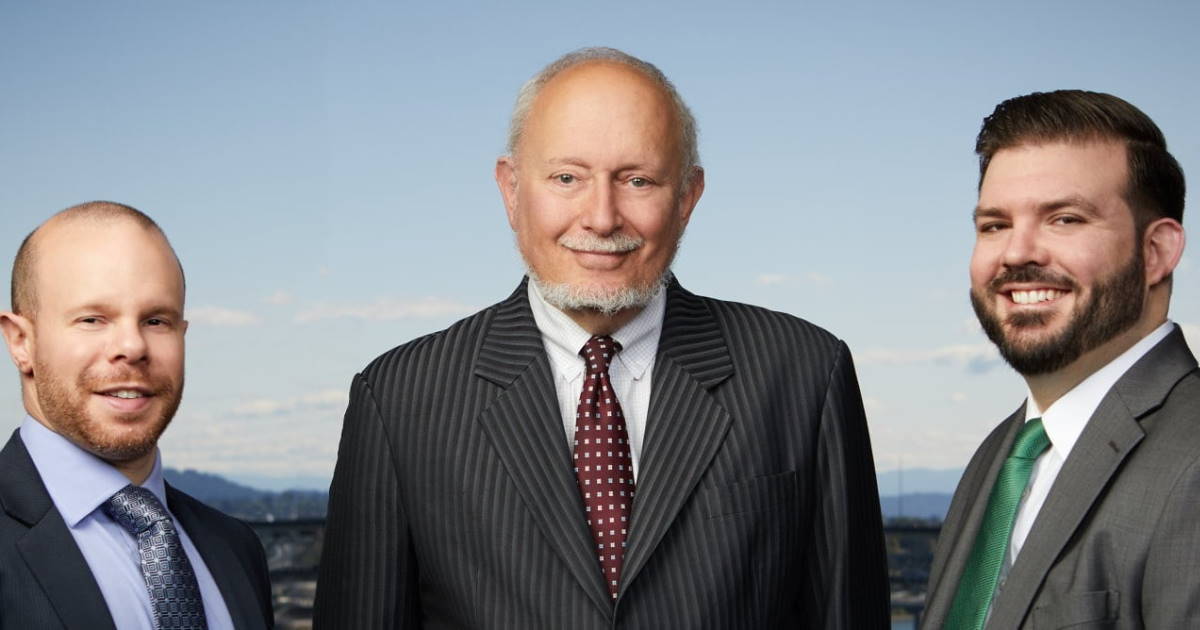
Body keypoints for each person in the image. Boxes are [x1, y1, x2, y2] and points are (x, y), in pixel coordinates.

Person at [314, 47, 887, 629]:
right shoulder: (398, 398)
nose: (602, 218)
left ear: (687, 197)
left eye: (638, 180)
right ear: (511, 189)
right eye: (567, 178)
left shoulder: (806, 373)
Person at [922, 91, 1193, 629]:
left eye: (1064, 219)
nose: (1017, 252)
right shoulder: (1003, 456)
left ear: (1156, 252)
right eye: (994, 225)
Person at [0, 202, 274, 630]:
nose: (132, 346)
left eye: (156, 321)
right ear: (21, 342)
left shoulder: (236, 547)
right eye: (93, 319)